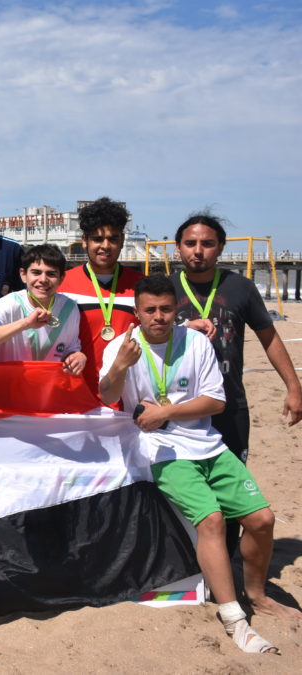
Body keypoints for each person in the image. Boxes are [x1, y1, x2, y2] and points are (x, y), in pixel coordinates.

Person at [99, 275, 300, 655]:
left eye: (166, 309)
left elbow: (216, 402)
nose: (158, 317)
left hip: (207, 444)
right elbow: (108, 394)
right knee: (211, 520)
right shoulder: (121, 347)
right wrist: (121, 367)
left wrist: (165, 411)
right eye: (150, 310)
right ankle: (233, 618)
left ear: (176, 309)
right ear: (137, 312)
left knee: (262, 520)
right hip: (160, 449)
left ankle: (256, 595)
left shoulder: (194, 342)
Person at [171, 212, 302, 458]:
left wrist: (294, 387)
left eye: (207, 243)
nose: (198, 251)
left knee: (232, 491)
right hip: (178, 408)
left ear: (220, 247)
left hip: (229, 406)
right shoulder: (165, 289)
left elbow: (270, 338)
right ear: (178, 248)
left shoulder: (241, 287)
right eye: (190, 243)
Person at [58, 197, 144, 397]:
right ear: (85, 241)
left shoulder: (141, 285)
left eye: (113, 239)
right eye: (98, 239)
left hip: (126, 395)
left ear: (122, 241)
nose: (105, 246)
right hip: (76, 394)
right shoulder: (62, 284)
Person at [0, 244, 86, 375]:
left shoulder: (69, 307)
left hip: (49, 388)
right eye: (36, 273)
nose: (43, 280)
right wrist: (25, 323)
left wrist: (78, 356)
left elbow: (71, 348)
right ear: (23, 275)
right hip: (12, 387)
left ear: (61, 279)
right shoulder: (9, 303)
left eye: (51, 274)